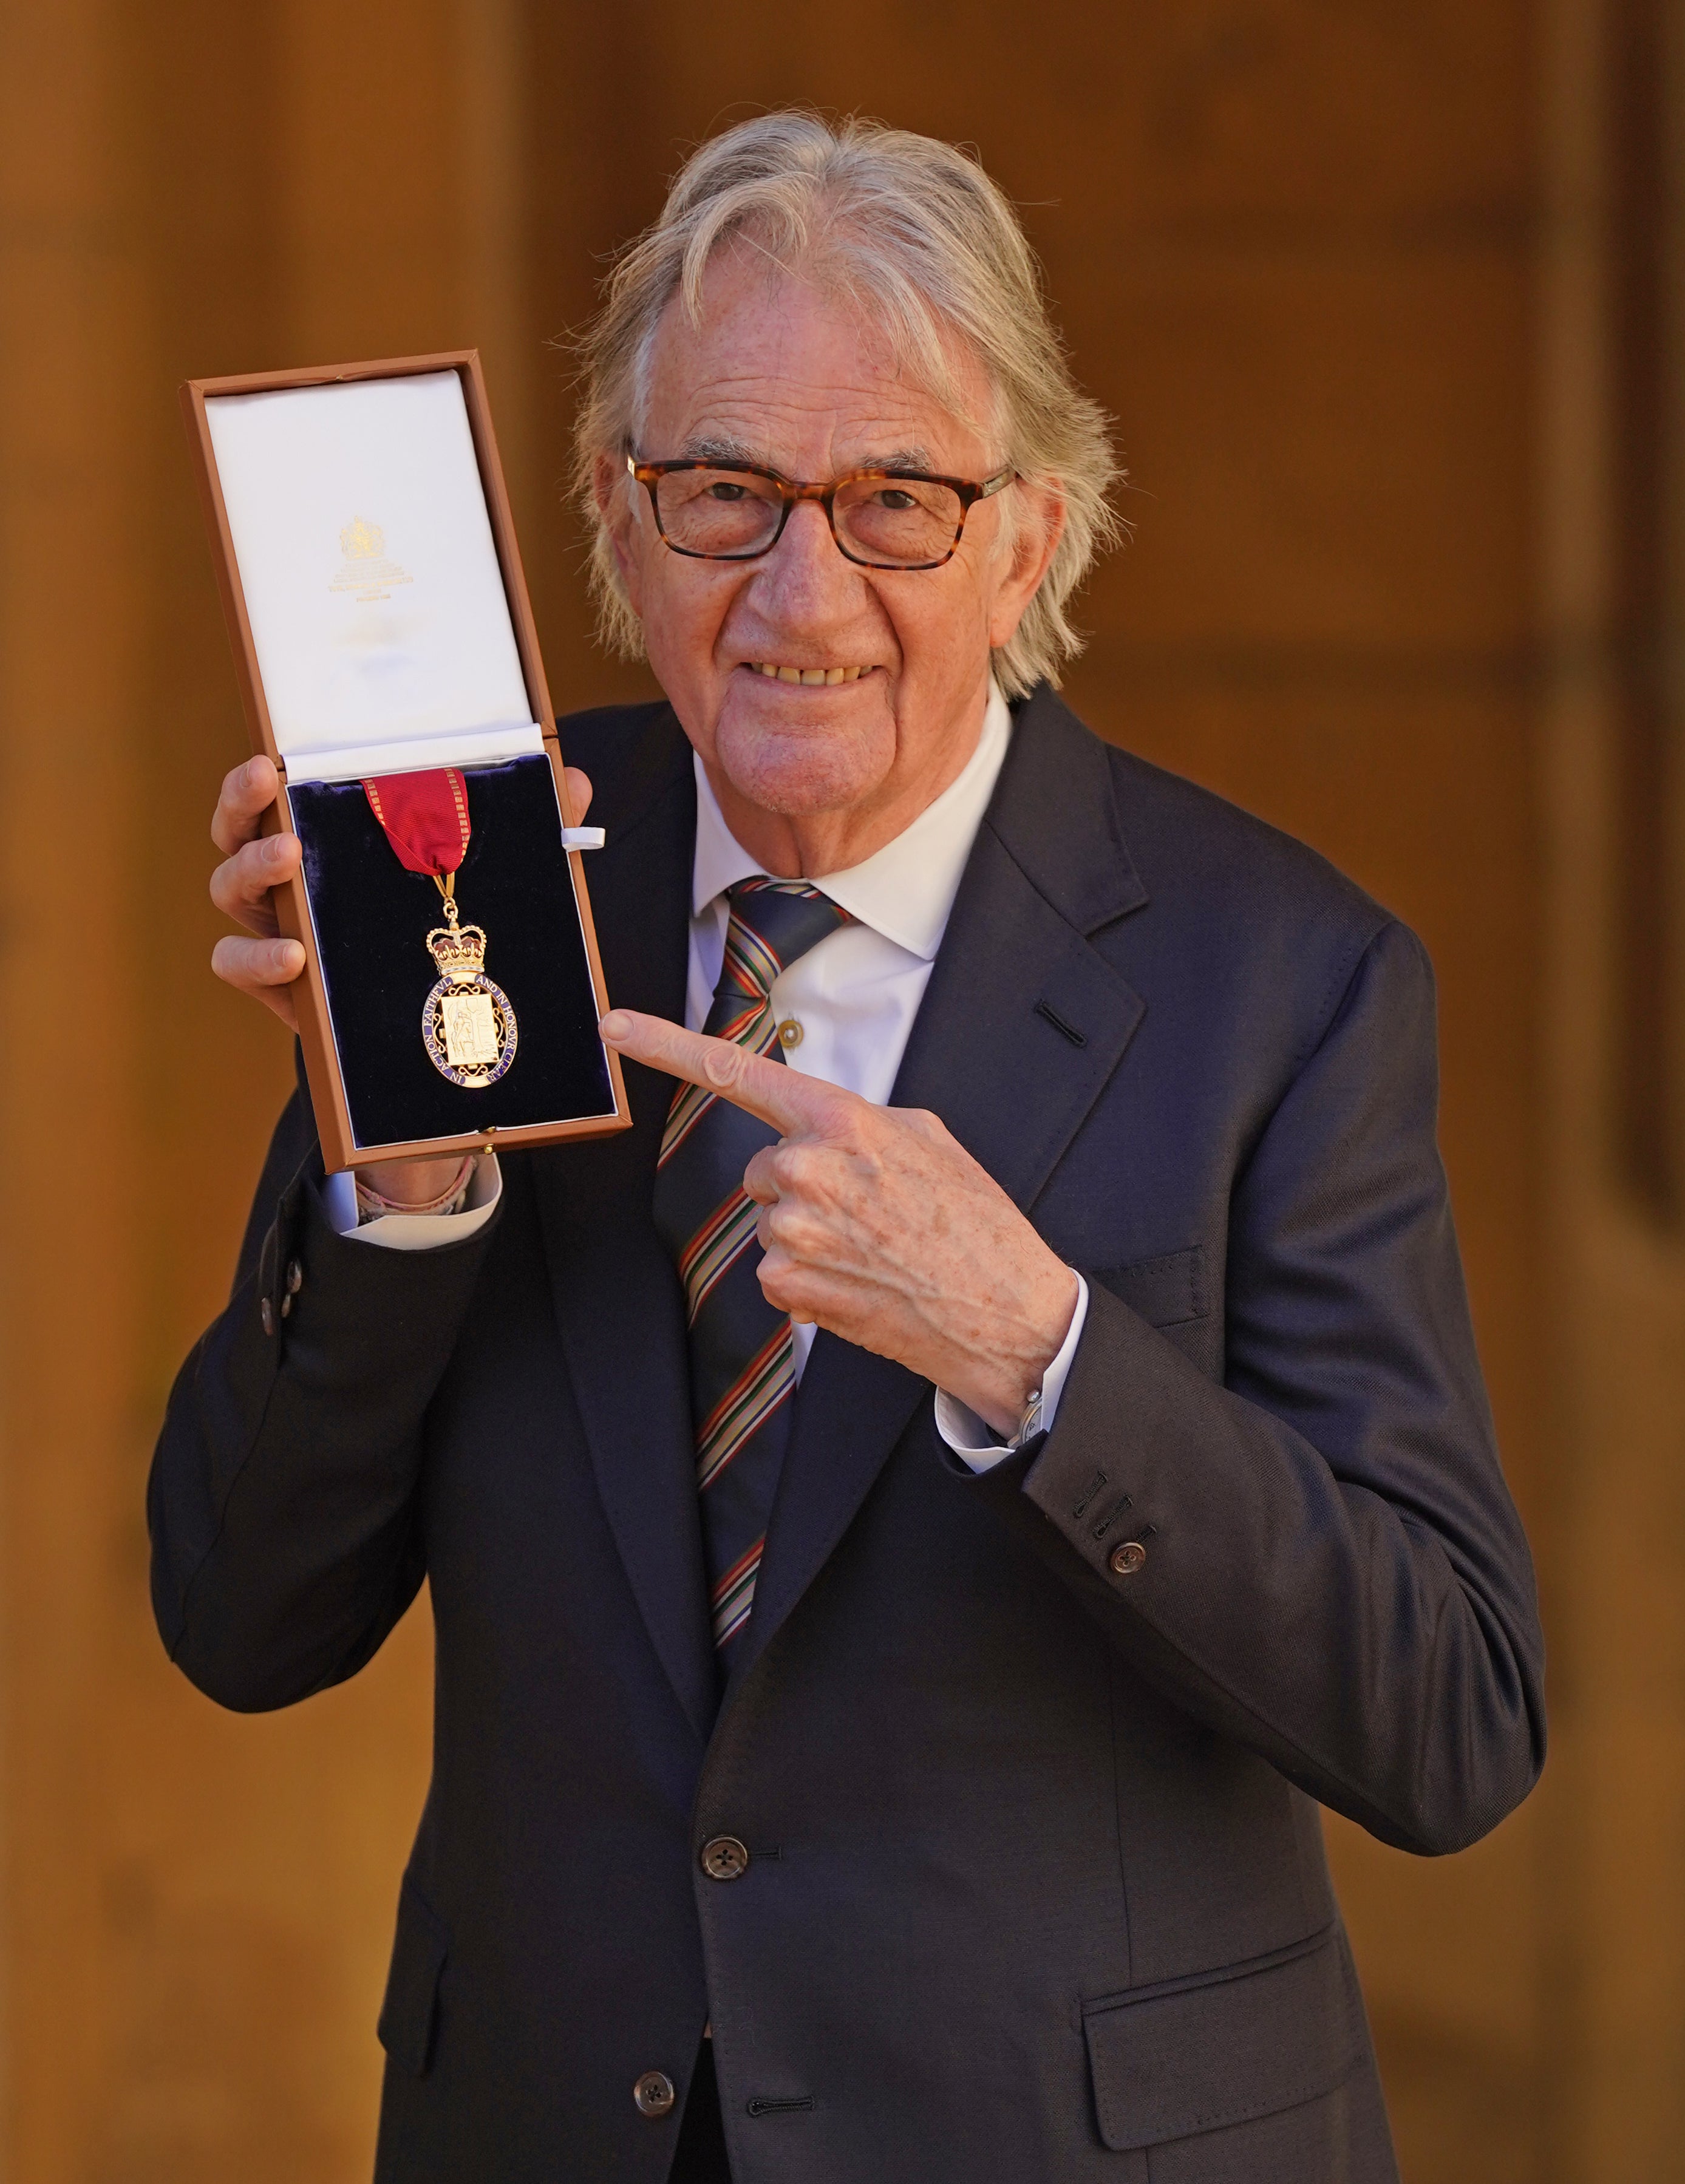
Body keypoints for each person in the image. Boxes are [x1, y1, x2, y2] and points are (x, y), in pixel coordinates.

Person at [151, 112, 1545, 2184]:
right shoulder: (474, 887)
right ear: (618, 527)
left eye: (897, 498)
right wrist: (412, 1188)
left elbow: (1453, 1719)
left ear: (1031, 539)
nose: (804, 589)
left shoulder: (1291, 980)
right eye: (725, 489)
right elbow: (243, 1622)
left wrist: (1041, 1353)